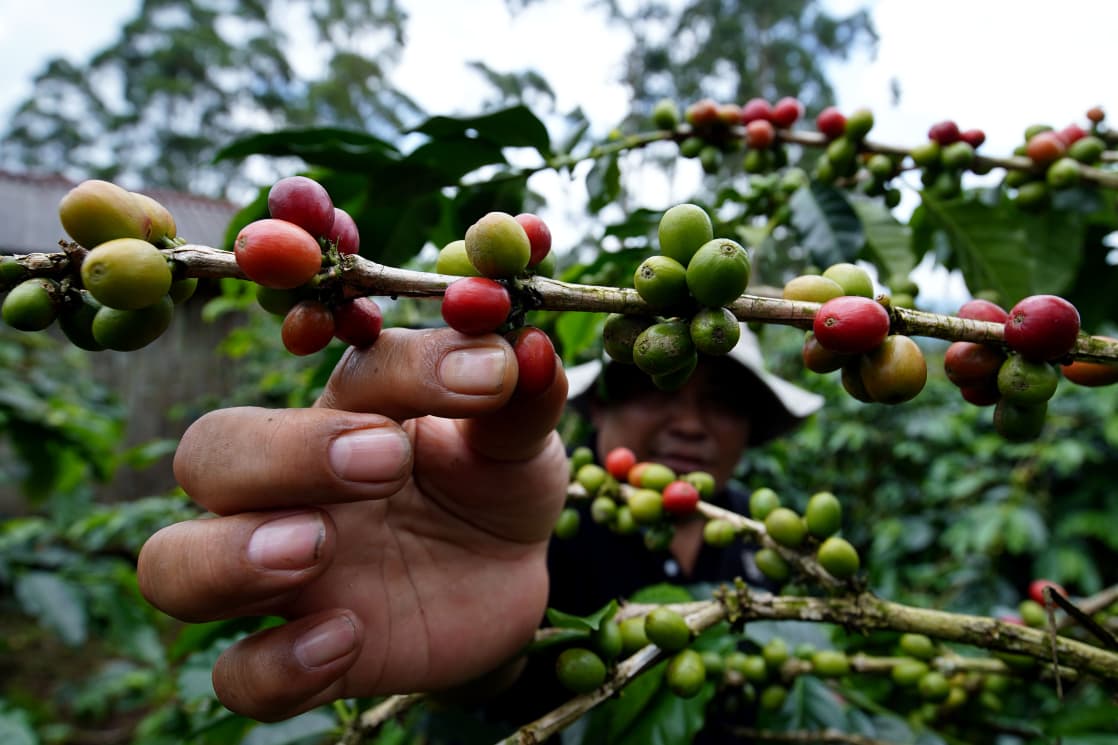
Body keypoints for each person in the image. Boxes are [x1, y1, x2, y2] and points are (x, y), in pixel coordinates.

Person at [136, 323, 821, 732]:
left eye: (724, 402)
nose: (692, 421)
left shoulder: (765, 538)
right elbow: (488, 701)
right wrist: (479, 667)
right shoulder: (526, 515)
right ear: (596, 408)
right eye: (659, 385)